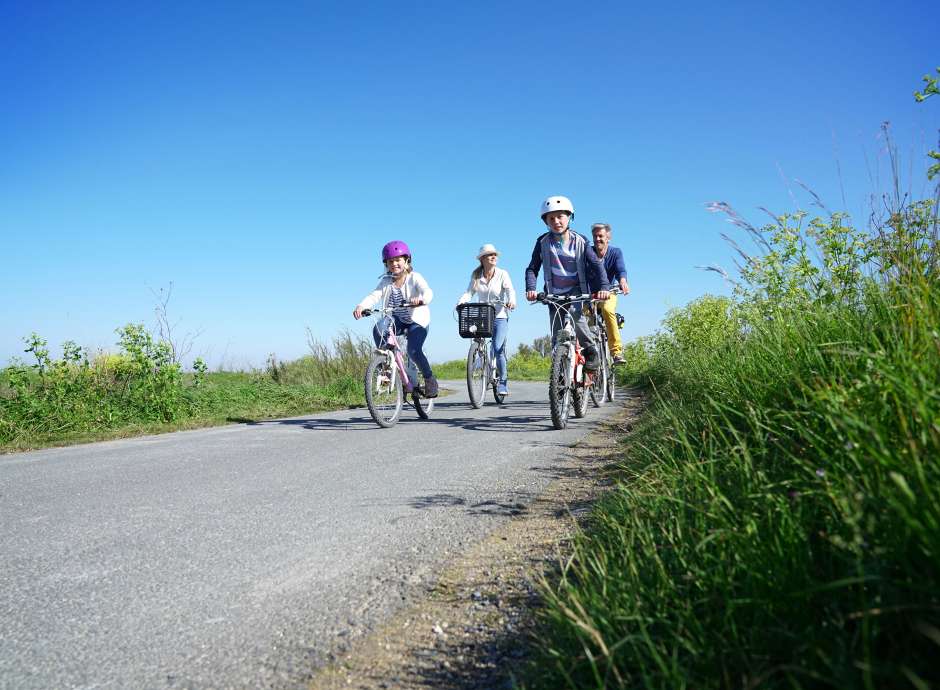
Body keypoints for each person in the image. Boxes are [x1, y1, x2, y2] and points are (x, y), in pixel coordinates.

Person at [525, 196, 609, 370]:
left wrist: (604, 287)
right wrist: (531, 288)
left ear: (569, 217)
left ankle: (590, 350)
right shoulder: (542, 242)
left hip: (577, 289)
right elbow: (532, 268)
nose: (556, 221)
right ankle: (560, 377)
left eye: (560, 216)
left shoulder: (580, 241)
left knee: (575, 315)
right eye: (551, 218)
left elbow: (596, 264)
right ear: (546, 221)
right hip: (554, 292)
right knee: (557, 337)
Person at [353, 240, 439, 397]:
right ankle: (387, 364)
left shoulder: (414, 277)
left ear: (407, 261)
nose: (394, 264)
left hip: (417, 321)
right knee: (379, 328)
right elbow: (374, 296)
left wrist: (421, 300)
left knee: (413, 351)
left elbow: (427, 291)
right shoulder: (385, 281)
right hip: (396, 320)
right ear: (386, 264)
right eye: (390, 261)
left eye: (398, 260)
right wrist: (361, 306)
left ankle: (429, 378)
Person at [457, 243, 517, 396]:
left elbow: (510, 290)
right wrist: (461, 301)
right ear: (482, 259)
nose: (493, 257)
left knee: (498, 348)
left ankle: (503, 383)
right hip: (483, 315)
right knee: (477, 340)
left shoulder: (502, 274)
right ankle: (480, 361)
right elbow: (469, 292)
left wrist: (512, 301)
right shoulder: (476, 276)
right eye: (490, 255)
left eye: (495, 254)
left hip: (500, 316)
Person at [590, 222, 630, 364]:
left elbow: (621, 270)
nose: (597, 239)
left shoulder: (615, 252)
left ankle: (616, 352)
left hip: (609, 292)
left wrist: (623, 281)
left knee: (607, 310)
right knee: (581, 318)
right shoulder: (588, 252)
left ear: (608, 238)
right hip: (590, 295)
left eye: (601, 236)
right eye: (595, 236)